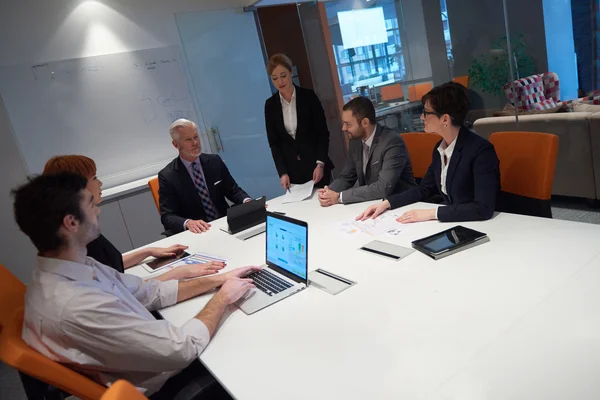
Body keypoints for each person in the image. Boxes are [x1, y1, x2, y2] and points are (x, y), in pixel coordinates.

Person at [12, 172, 260, 399]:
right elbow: (181, 348)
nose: (98, 211)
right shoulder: (75, 305)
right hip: (163, 385)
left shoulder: (77, 266)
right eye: (90, 204)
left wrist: (219, 280)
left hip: (153, 358)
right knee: (250, 348)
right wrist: (222, 298)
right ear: (71, 223)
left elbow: (151, 292)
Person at [43, 155, 222, 280]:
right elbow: (124, 290)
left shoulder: (79, 233)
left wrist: (148, 251)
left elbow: (109, 265)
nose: (100, 183)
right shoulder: (80, 241)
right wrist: (181, 272)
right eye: (95, 177)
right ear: (78, 187)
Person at [356, 82, 500, 223]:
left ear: (445, 119)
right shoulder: (440, 148)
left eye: (426, 113)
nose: (421, 117)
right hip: (457, 222)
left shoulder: (481, 151)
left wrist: (432, 213)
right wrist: (387, 203)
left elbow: (483, 208)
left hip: (484, 226)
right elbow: (425, 189)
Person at [318, 96, 416, 207]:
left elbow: (382, 188)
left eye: (348, 124)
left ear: (365, 122)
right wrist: (329, 191)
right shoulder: (355, 141)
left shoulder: (392, 142)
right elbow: (347, 177)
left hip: (400, 205)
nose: (343, 128)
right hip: (373, 204)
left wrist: (339, 197)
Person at [159, 119, 251, 235]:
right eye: (188, 139)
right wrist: (188, 223)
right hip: (197, 231)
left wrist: (247, 201)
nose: (195, 142)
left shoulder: (214, 161)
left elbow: (233, 190)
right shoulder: (168, 176)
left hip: (224, 224)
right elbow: (168, 215)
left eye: (196, 137)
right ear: (175, 144)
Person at [264, 54, 334, 190]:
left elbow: (322, 133)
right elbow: (274, 143)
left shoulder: (308, 97)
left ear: (291, 72)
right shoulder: (270, 105)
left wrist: (320, 163)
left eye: (283, 75)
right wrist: (282, 172)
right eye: (274, 78)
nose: (280, 82)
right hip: (292, 172)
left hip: (316, 166)